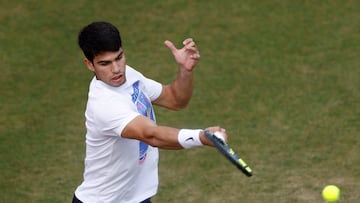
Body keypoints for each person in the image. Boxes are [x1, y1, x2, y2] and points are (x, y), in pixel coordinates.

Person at [72, 21, 227, 203]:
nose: (116, 69)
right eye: (105, 63)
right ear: (89, 64)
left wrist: (185, 70)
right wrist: (201, 137)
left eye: (119, 57)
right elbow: (151, 135)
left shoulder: (128, 76)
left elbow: (175, 99)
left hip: (135, 197)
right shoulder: (104, 104)